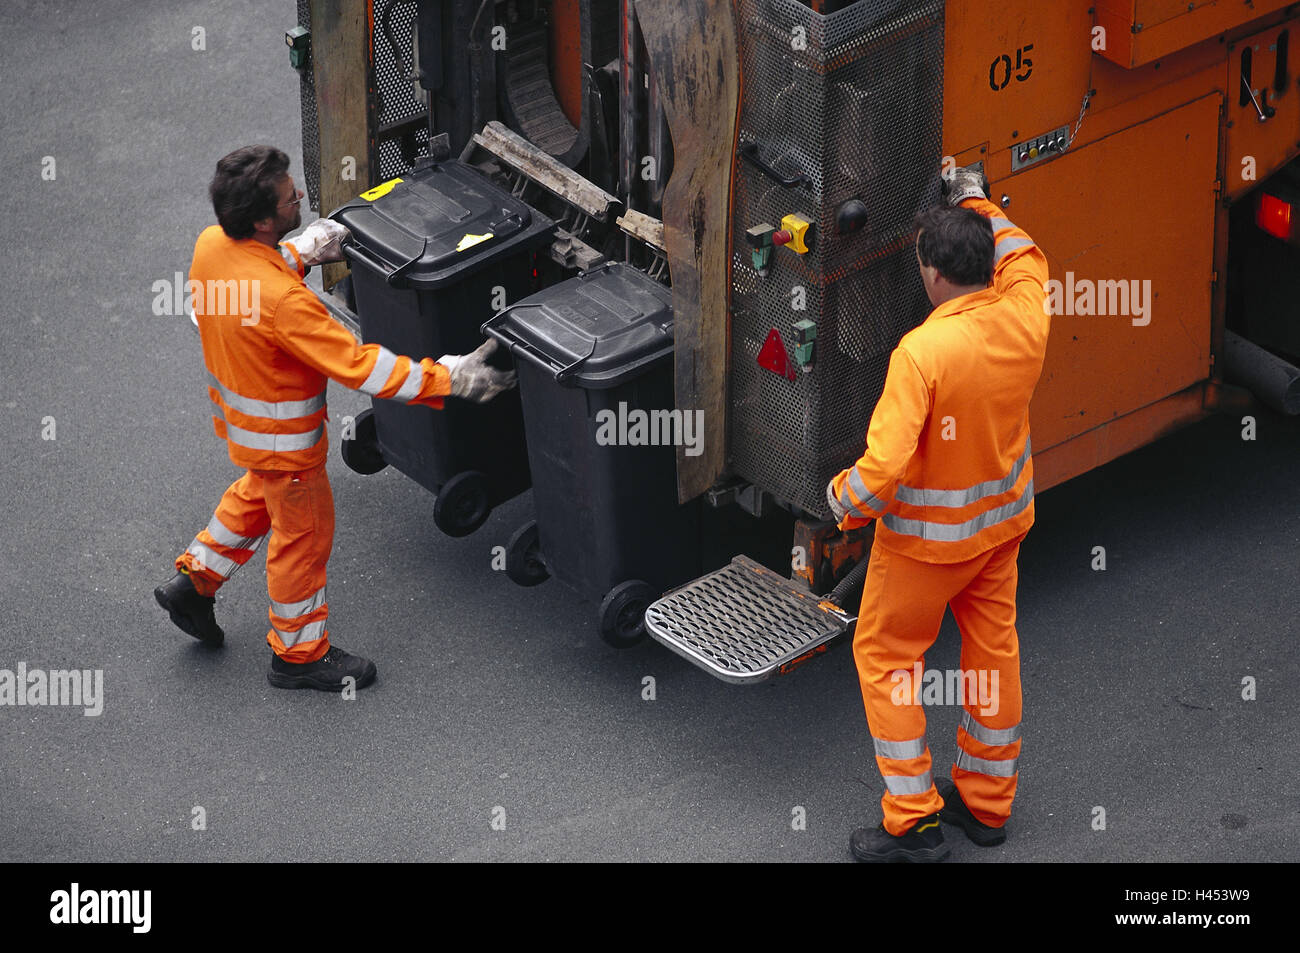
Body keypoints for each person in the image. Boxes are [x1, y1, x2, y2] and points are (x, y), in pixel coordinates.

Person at [154, 145, 514, 692]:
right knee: (303, 540)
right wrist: (451, 378)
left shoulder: (211, 247)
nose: (298, 195)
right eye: (288, 197)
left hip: (248, 430)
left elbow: (252, 279)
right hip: (288, 444)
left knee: (256, 497)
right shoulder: (286, 306)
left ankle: (195, 582)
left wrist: (300, 250)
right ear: (260, 219)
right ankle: (298, 656)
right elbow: (360, 368)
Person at [827, 167, 1050, 862]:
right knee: (992, 652)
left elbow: (884, 468)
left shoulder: (922, 353)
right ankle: (986, 805)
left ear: (931, 274)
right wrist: (975, 196)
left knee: (887, 657)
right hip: (1002, 530)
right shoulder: (1026, 310)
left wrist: (840, 500)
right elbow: (1028, 251)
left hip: (925, 549)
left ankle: (914, 822)